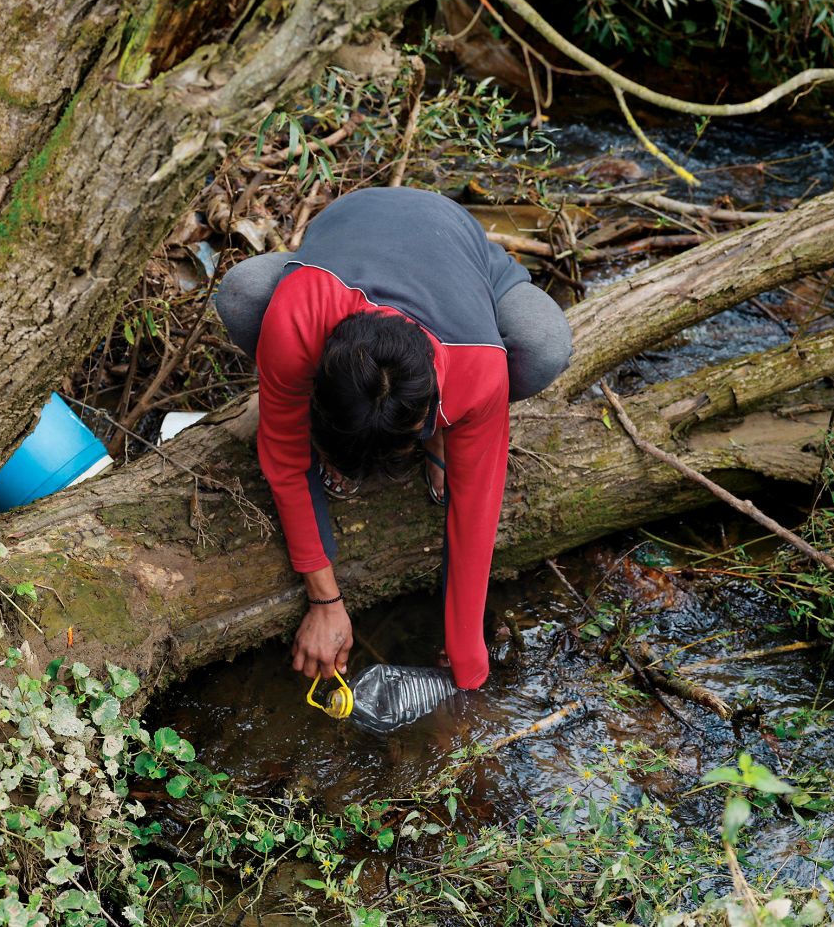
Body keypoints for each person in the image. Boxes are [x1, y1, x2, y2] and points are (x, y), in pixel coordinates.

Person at [214, 186, 573, 690]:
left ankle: (441, 438)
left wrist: (466, 656)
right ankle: (348, 436)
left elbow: (476, 507)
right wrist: (324, 599)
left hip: (453, 245)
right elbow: (282, 457)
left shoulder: (478, 367)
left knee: (542, 345)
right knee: (245, 291)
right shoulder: (298, 315)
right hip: (352, 230)